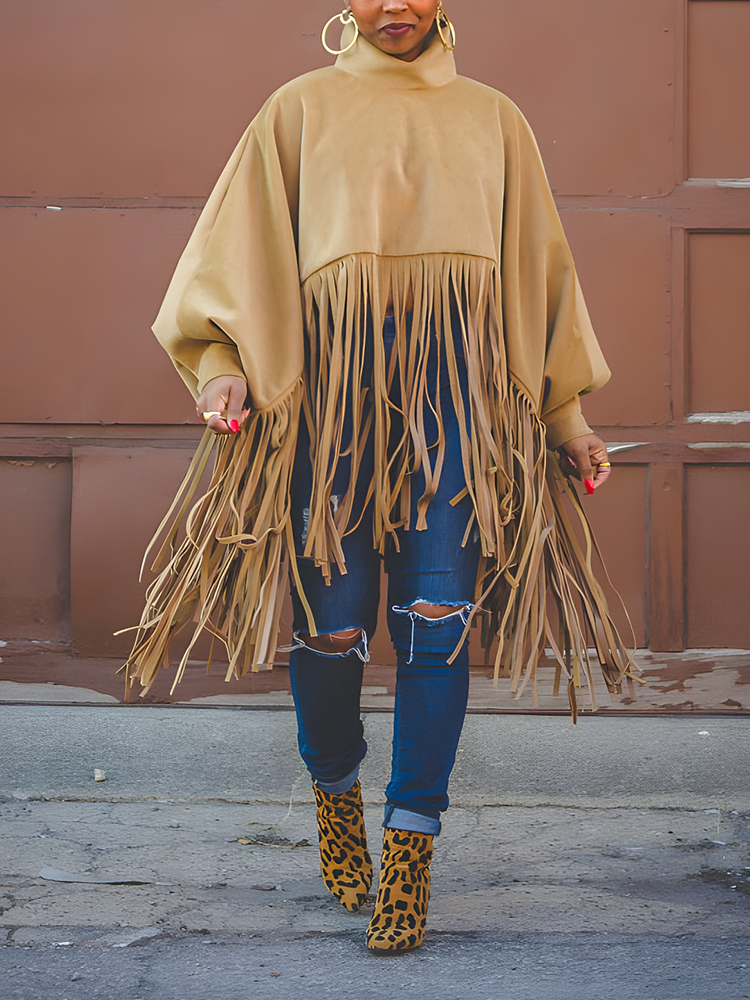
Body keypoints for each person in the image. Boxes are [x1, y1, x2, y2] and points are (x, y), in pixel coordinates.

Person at [125, 0, 631, 953]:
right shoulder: (298, 110)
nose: (393, 5)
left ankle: (411, 850)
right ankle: (333, 793)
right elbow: (236, 259)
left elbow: (540, 272)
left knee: (438, 627)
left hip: (460, 420)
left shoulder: (495, 119)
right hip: (328, 421)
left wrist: (566, 416)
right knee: (334, 632)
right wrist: (222, 364)